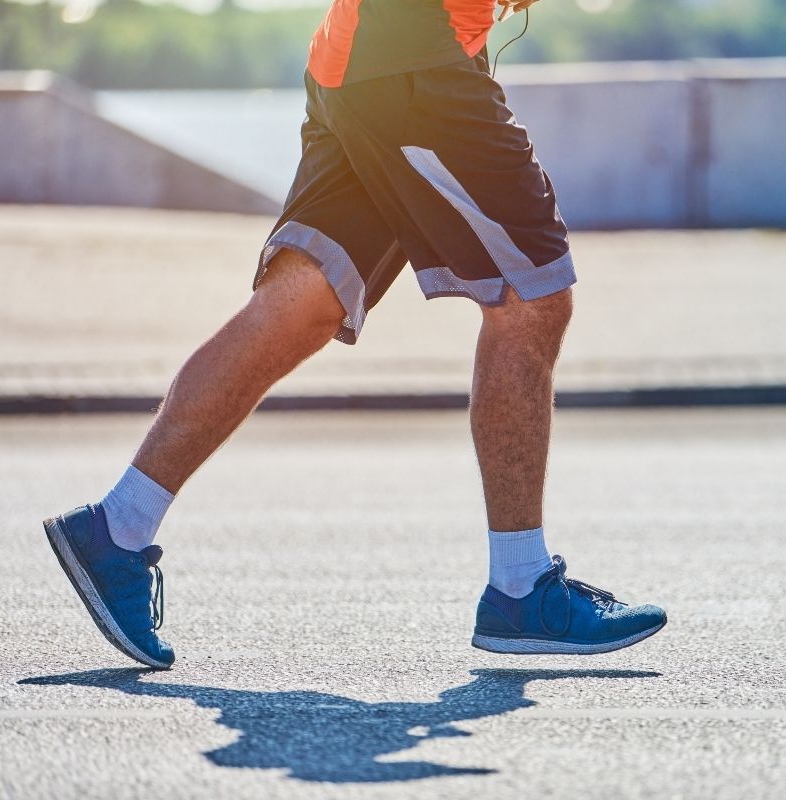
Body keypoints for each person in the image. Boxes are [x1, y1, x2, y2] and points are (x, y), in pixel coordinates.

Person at [43, 0, 666, 670]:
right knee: (534, 297)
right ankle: (521, 586)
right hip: (411, 60)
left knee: (305, 303)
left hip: (363, 60)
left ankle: (118, 526)